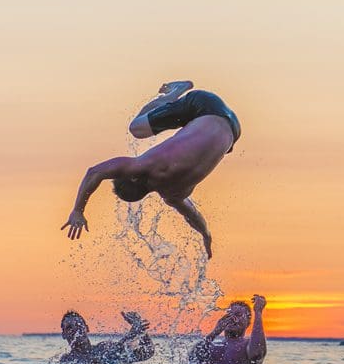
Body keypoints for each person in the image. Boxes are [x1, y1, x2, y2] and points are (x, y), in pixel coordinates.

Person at [61, 80, 241, 258]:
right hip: (205, 105)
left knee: (191, 137)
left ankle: (177, 103)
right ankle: (174, 93)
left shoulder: (174, 195)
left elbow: (194, 217)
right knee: (135, 129)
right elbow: (94, 172)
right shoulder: (140, 166)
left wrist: (206, 234)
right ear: (131, 177)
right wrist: (78, 210)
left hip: (233, 133)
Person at [189, 295, 267, 364]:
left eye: (238, 315)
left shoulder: (248, 345)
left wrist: (258, 312)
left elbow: (257, 353)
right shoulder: (212, 344)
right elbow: (193, 359)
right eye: (230, 314)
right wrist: (214, 332)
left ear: (248, 322)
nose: (233, 318)